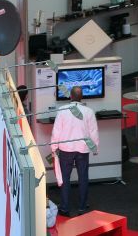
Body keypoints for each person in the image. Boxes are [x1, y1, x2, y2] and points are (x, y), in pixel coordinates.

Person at [51, 86, 99, 217]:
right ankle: (82, 206)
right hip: (83, 149)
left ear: (70, 96)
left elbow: (57, 130)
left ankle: (65, 207)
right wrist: (95, 148)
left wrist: (53, 147)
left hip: (65, 149)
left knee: (65, 178)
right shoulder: (89, 111)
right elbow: (93, 131)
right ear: (81, 97)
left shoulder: (62, 110)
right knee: (83, 177)